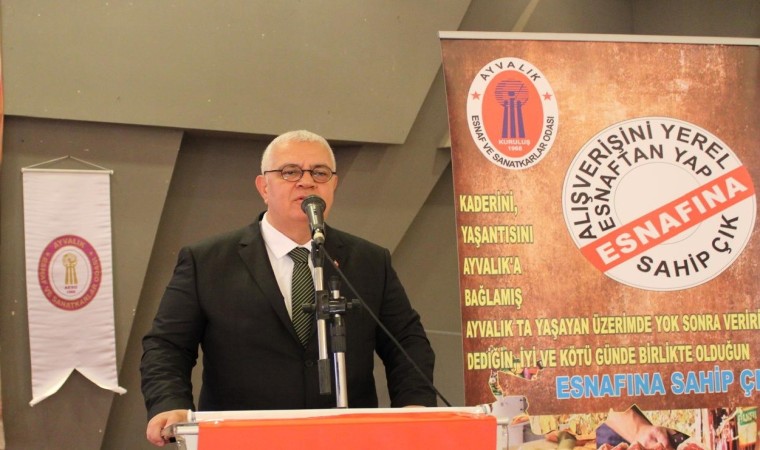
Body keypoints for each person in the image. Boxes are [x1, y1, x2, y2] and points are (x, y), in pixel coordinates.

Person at [140, 130, 436, 446]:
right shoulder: (207, 261)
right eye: (290, 172)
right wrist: (170, 403)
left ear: (334, 185)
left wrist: (414, 405)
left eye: (319, 173)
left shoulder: (369, 260)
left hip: (344, 438)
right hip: (241, 439)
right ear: (263, 187)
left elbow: (406, 340)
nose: (307, 182)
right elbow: (167, 345)